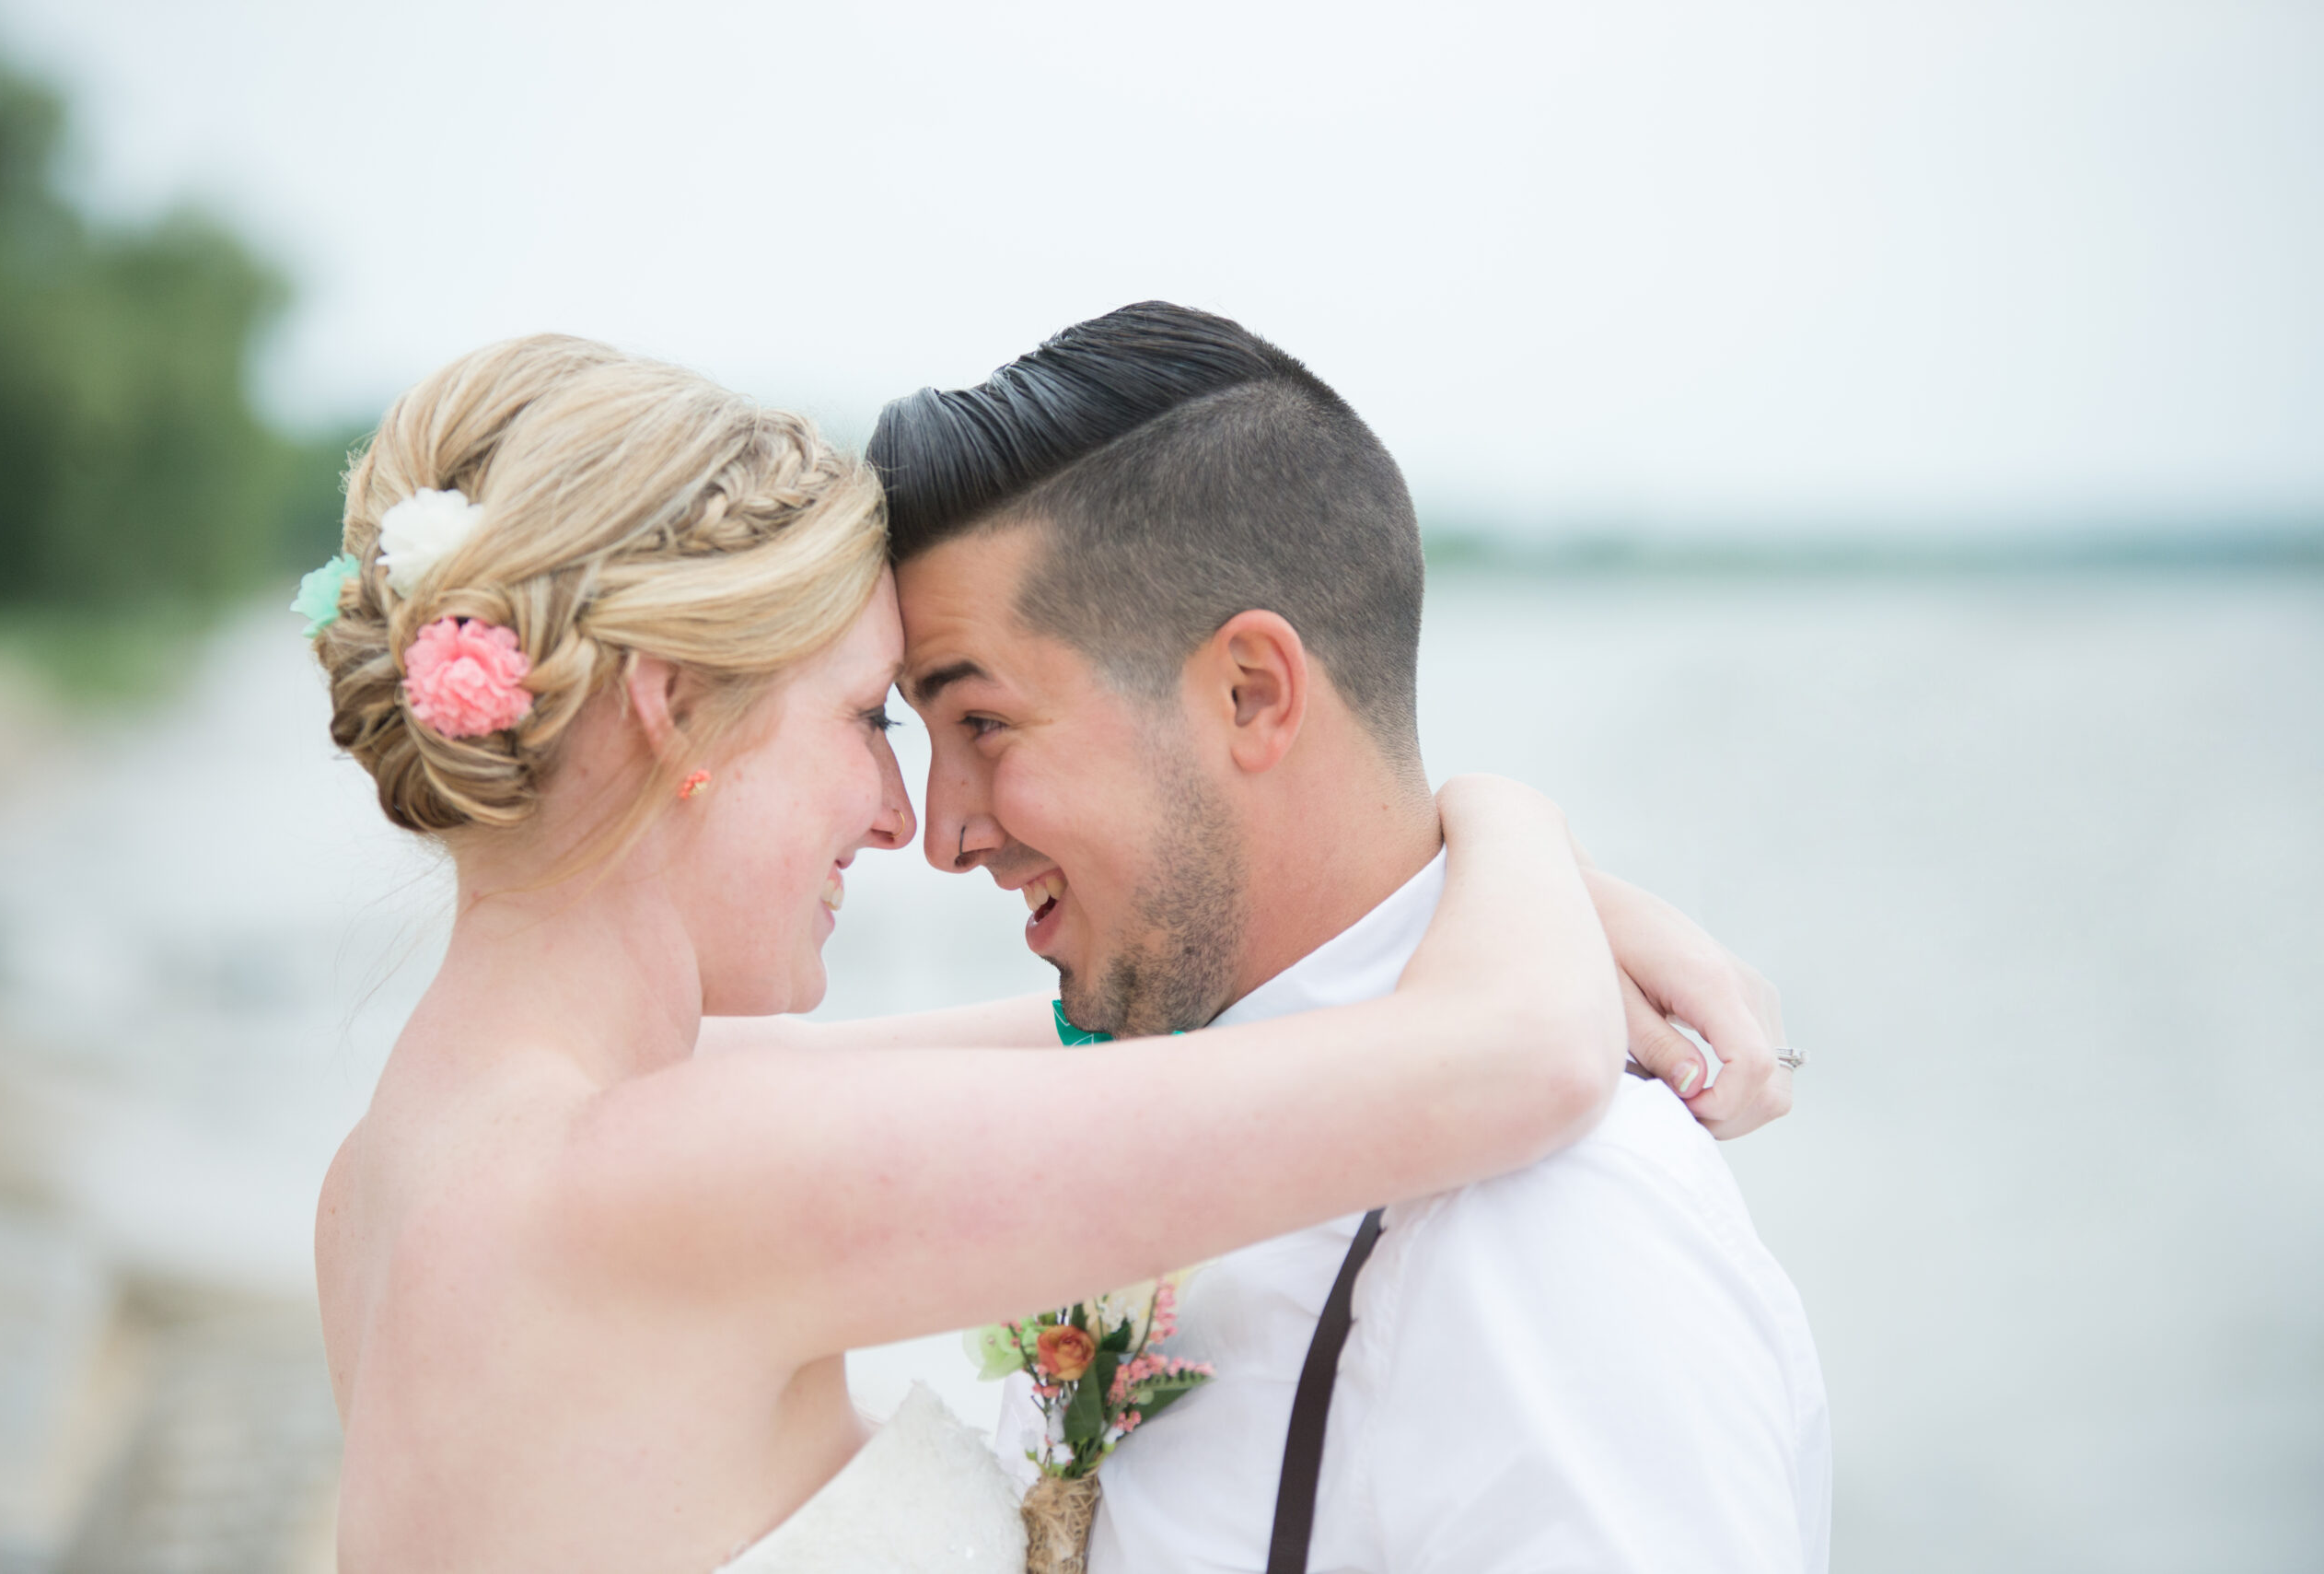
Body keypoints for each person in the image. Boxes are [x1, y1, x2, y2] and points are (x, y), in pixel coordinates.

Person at [305, 333, 1784, 1574]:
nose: (906, 821)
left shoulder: (397, 1164)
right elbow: (1514, 1057)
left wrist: (1494, 885)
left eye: (970, 725)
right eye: (867, 717)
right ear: (666, 703)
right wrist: (1500, 813)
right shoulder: (683, 1168)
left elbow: (1197, 1032)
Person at [869, 301, 1830, 1573]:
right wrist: (1510, 820)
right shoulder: (1150, 1081)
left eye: (983, 723)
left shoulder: (1548, 1231)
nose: (943, 833)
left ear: (1251, 692)